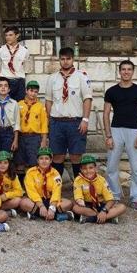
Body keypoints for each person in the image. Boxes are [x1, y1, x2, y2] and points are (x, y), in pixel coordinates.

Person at [103, 60, 137, 211]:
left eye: (129, 69)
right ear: (119, 71)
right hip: (116, 130)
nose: (126, 72)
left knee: (136, 167)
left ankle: (136, 198)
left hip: (134, 131)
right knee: (111, 166)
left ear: (133, 72)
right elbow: (106, 114)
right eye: (123, 69)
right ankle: (114, 196)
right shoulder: (111, 91)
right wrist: (108, 136)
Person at [45, 47, 93, 180]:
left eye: (68, 59)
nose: (65, 61)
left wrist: (85, 120)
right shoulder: (52, 78)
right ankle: (56, 186)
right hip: (57, 122)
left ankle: (78, 186)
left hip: (75, 122)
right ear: (59, 60)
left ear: (73, 59)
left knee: (76, 156)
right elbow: (48, 101)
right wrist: (49, 121)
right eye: (62, 59)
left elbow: (87, 99)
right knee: (57, 156)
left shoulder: (82, 77)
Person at [20, 147, 74, 222]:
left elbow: (56, 192)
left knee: (68, 203)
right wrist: (41, 205)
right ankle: (56, 216)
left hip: (50, 200)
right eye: (41, 158)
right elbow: (31, 192)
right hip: (36, 201)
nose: (44, 161)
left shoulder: (55, 173)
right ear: (37, 160)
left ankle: (36, 214)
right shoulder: (30, 172)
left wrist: (52, 207)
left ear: (51, 160)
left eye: (47, 158)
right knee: (23, 203)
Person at [73, 154, 126, 224]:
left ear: (95, 168)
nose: (88, 171)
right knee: (75, 208)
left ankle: (90, 218)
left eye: (91, 168)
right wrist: (80, 202)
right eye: (84, 168)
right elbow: (78, 196)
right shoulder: (78, 180)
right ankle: (108, 217)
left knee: (122, 207)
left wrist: (104, 211)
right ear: (81, 170)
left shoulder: (101, 180)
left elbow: (110, 199)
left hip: (100, 205)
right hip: (86, 205)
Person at [16, 81, 48, 173]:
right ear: (26, 91)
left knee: (33, 162)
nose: (33, 94)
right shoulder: (19, 104)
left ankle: (31, 180)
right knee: (20, 162)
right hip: (21, 136)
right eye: (31, 91)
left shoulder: (40, 106)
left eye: (35, 92)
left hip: (34, 137)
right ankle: (21, 181)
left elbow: (44, 124)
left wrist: (44, 141)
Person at [0, 26, 28, 101]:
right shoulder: (0, 50)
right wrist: (3, 82)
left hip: (20, 82)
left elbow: (26, 69)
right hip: (6, 81)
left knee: (19, 105)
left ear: (17, 35)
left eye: (10, 35)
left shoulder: (24, 51)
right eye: (6, 35)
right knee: (5, 104)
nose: (8, 37)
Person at [0, 77, 20, 154]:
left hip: (8, 132)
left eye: (5, 86)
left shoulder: (14, 103)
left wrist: (15, 140)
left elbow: (17, 123)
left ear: (9, 89)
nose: (3, 87)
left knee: (6, 156)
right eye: (0, 85)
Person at [0, 151, 24, 216]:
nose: (2, 165)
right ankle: (6, 212)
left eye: (5, 163)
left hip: (5, 200)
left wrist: (6, 195)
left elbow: (19, 192)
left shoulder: (12, 175)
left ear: (9, 164)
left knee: (17, 200)